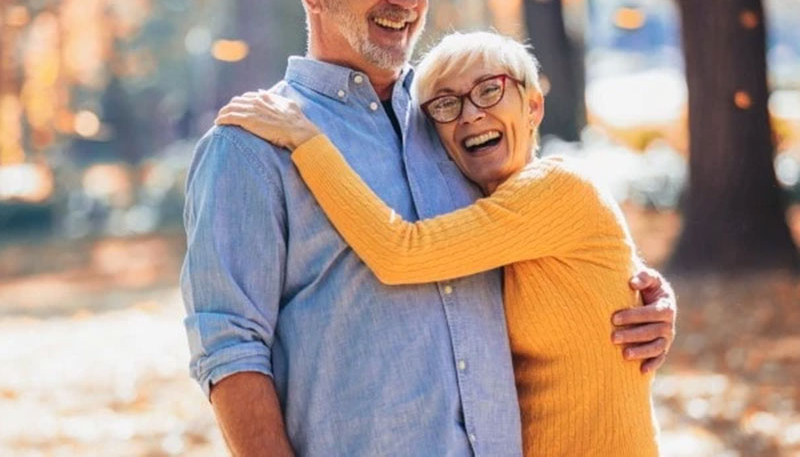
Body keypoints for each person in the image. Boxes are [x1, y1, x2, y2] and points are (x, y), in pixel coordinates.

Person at [182, 0, 676, 457]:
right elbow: (230, 349)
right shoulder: (250, 144)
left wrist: (645, 301)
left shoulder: (458, 124)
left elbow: (552, 248)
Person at [216, 31, 661, 456]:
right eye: (446, 105)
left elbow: (400, 252)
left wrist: (307, 139)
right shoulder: (485, 216)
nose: (470, 114)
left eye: (489, 90)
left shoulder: (559, 187)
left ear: (533, 106)